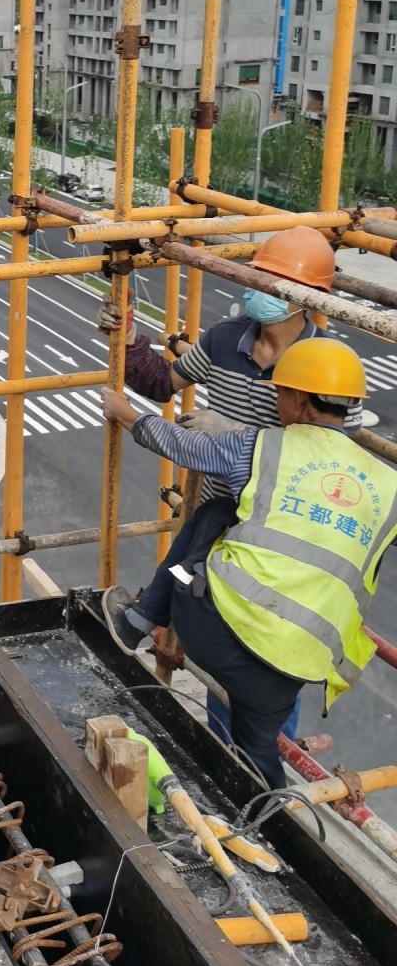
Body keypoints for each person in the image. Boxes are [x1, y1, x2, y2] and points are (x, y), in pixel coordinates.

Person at [100, 337, 397, 792]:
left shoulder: (263, 447)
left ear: (298, 399)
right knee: (258, 754)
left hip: (216, 631)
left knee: (217, 513)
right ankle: (273, 830)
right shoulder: (389, 484)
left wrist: (126, 414)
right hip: (298, 667)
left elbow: (185, 448)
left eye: (279, 393)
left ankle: (138, 621)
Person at [97, 224, 347, 743]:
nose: (257, 288)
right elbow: (161, 383)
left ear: (306, 300)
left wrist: (233, 432)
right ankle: (228, 765)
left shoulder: (326, 365)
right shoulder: (225, 340)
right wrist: (126, 340)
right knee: (222, 667)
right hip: (219, 527)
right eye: (257, 275)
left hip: (279, 536)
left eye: (274, 282)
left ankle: (260, 779)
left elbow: (332, 453)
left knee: (265, 663)